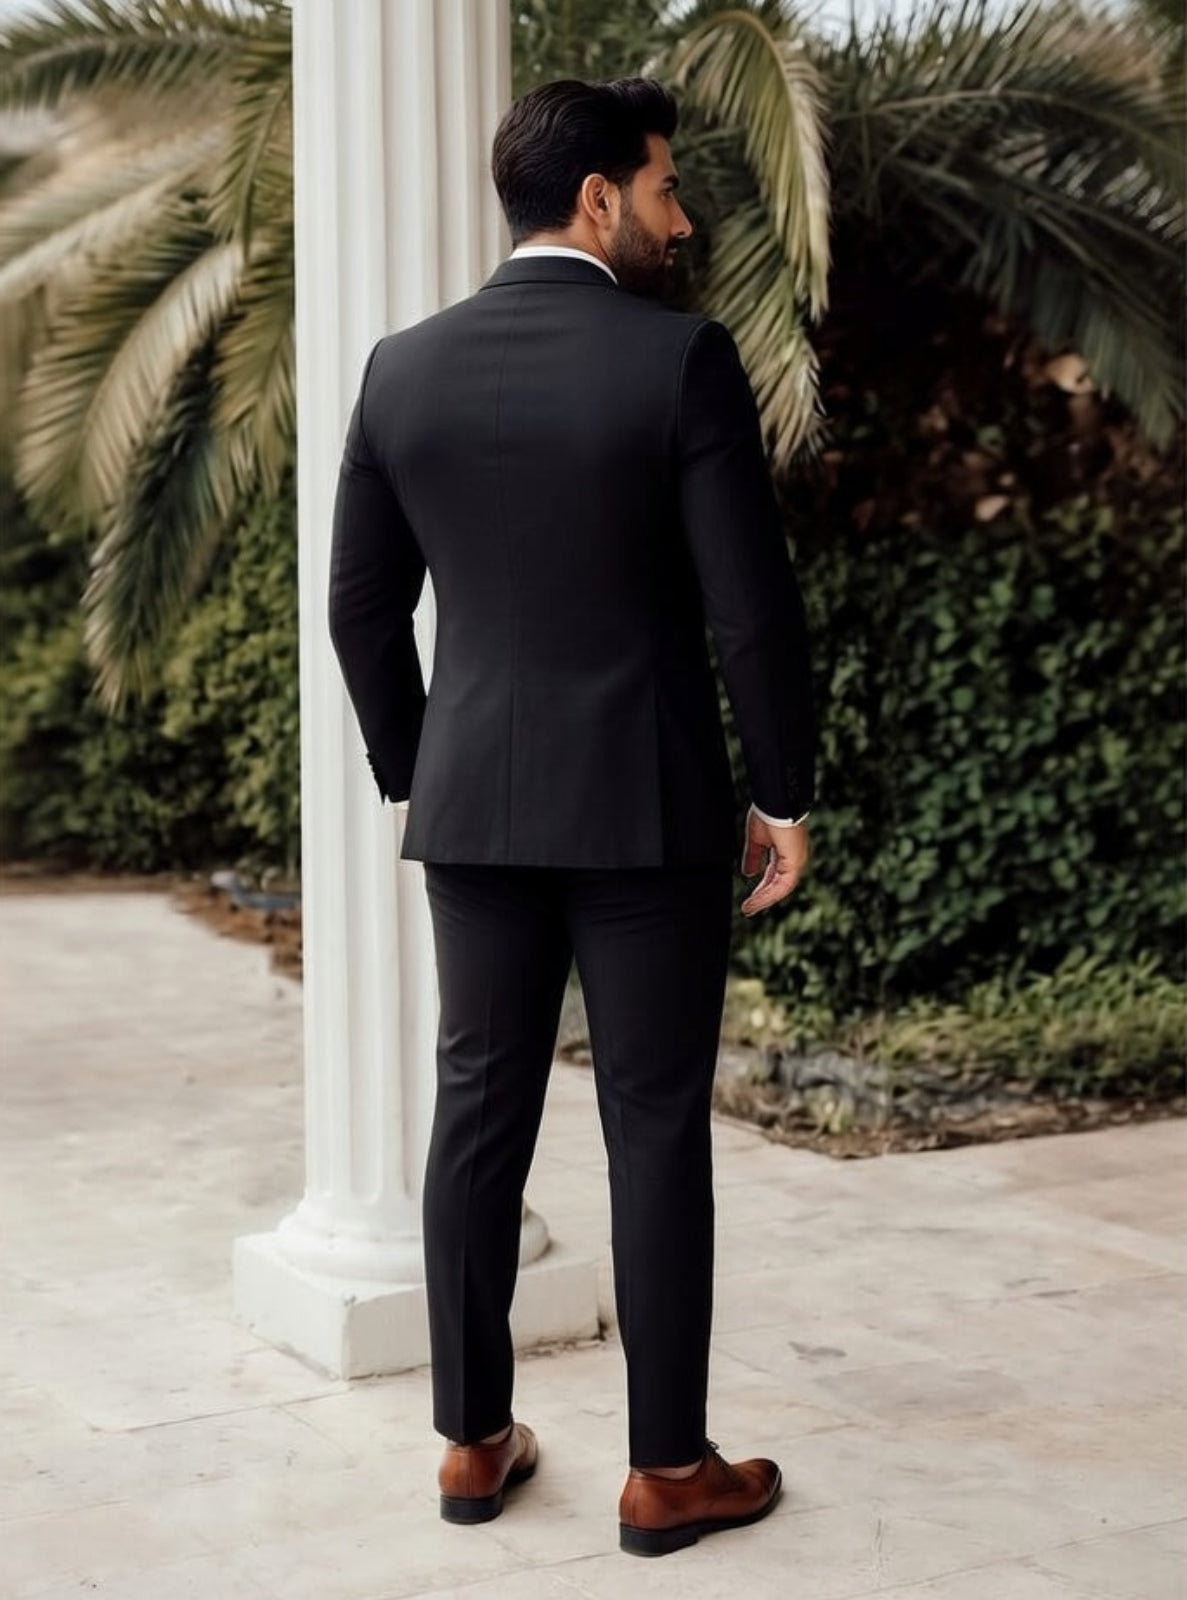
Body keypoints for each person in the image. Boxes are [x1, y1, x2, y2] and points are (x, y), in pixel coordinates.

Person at [328, 76, 817, 1559]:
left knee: (478, 1107)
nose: (682, 219)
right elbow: (752, 614)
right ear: (597, 197)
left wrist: (425, 766)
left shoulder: (400, 367)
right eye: (666, 190)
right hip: (649, 809)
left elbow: (358, 607)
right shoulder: (680, 360)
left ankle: (475, 1446)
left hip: (474, 806)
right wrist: (782, 791)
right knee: (653, 1124)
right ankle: (666, 1472)